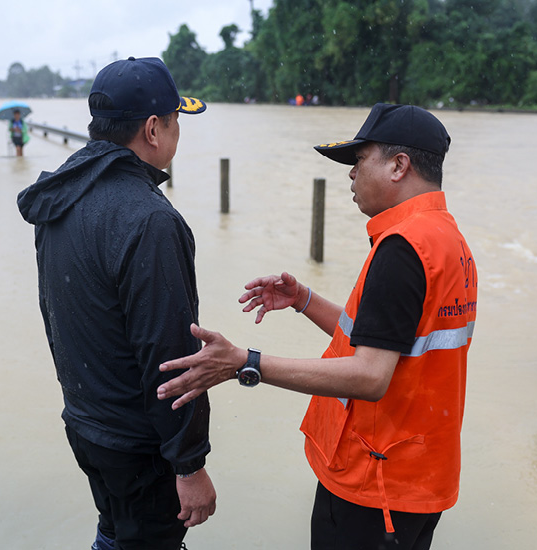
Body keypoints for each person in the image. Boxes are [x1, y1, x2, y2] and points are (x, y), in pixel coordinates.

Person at [158, 103, 478, 550]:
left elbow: (370, 376)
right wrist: (304, 300)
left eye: (359, 161)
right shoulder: (446, 238)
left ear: (398, 166)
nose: (351, 175)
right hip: (418, 478)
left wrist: (244, 363)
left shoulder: (402, 249)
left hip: (375, 483)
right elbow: (387, 341)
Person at [16, 56, 213, 550]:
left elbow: (54, 319)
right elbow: (170, 357)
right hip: (139, 445)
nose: (177, 135)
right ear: (152, 129)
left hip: (87, 426)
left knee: (116, 531)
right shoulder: (150, 220)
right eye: (175, 123)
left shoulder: (60, 199)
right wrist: (189, 464)